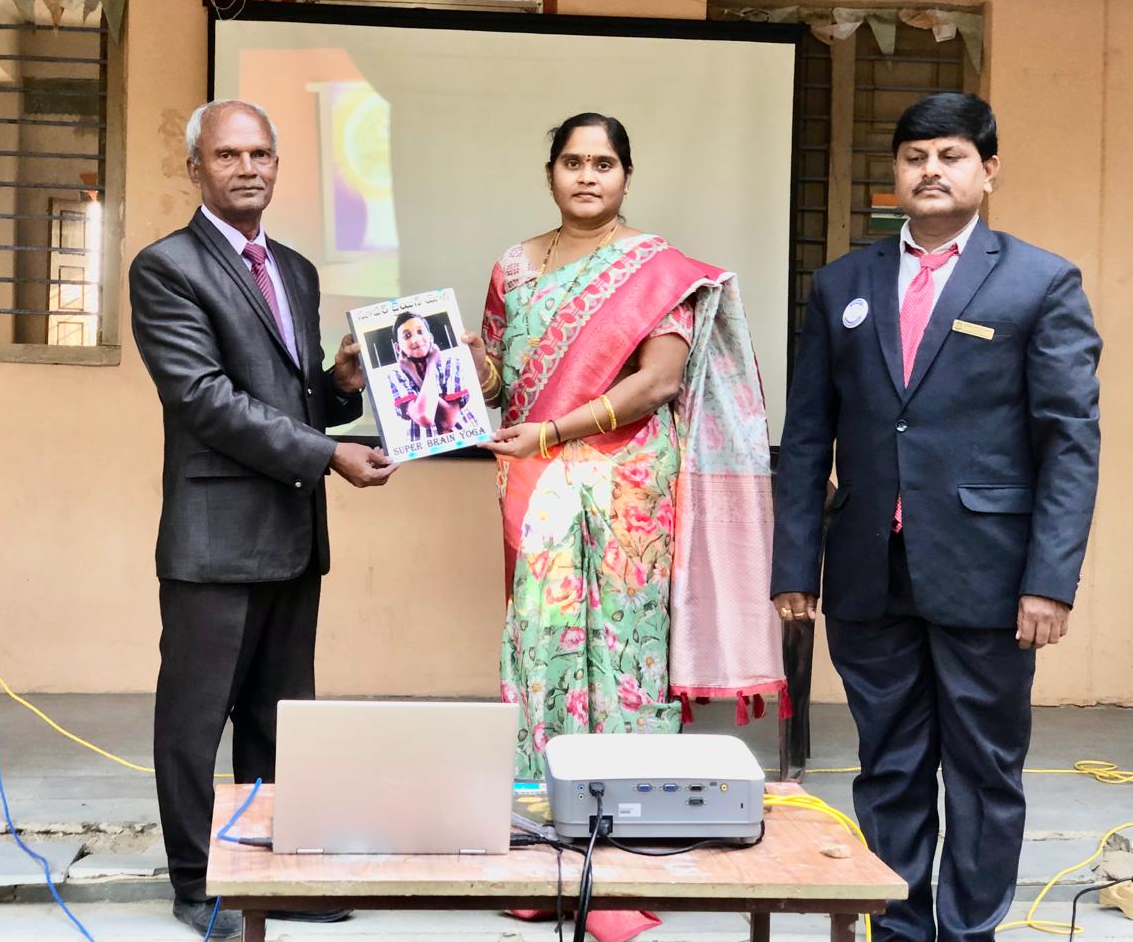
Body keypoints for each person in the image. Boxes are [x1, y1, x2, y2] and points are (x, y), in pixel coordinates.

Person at [772, 93, 1101, 942]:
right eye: (915, 156)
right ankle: (897, 928)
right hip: (866, 571)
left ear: (989, 171)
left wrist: (1050, 580)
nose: (931, 171)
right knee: (888, 768)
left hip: (988, 574)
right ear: (895, 173)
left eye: (951, 155)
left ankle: (968, 933)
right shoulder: (842, 284)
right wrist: (794, 566)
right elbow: (806, 437)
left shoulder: (1040, 281)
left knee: (985, 774)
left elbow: (1069, 442)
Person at [470, 112, 784, 942]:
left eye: (603, 163)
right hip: (537, 486)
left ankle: (624, 856)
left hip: (629, 493)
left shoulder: (658, 269)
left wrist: (553, 431)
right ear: (550, 172)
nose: (587, 176)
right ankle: (542, 848)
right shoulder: (513, 266)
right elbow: (500, 382)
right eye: (573, 162)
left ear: (626, 176)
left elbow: (656, 384)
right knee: (538, 655)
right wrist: (468, 363)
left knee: (625, 658)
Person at [130, 99, 396, 939]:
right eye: (228, 154)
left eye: (261, 154)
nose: (247, 168)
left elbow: (290, 394)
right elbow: (205, 399)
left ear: (277, 166)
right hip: (214, 539)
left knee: (280, 723)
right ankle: (196, 883)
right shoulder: (166, 267)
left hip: (292, 534)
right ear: (195, 168)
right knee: (194, 723)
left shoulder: (296, 268)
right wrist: (329, 454)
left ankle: (270, 877)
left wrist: (340, 385)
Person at [386, 311, 479, 440]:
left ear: (431, 338)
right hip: (425, 444)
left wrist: (425, 369)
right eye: (407, 336)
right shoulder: (396, 375)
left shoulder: (450, 362)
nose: (415, 339)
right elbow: (424, 417)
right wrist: (415, 372)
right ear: (398, 348)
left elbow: (449, 421)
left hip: (466, 436)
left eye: (420, 332)